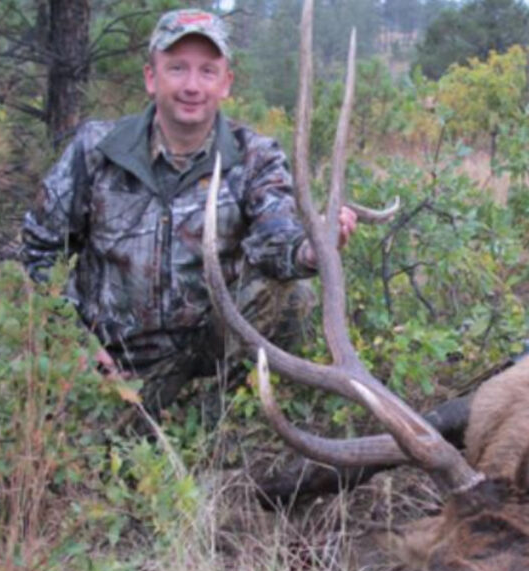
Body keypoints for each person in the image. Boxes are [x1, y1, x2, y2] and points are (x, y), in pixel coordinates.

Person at [22, 9, 358, 412]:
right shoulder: (96, 150)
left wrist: (310, 248)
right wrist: (73, 342)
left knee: (292, 296)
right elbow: (39, 251)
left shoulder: (255, 156)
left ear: (226, 83)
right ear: (151, 77)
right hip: (110, 361)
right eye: (177, 68)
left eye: (207, 71)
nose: (192, 86)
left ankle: (217, 407)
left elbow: (276, 240)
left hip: (204, 349)